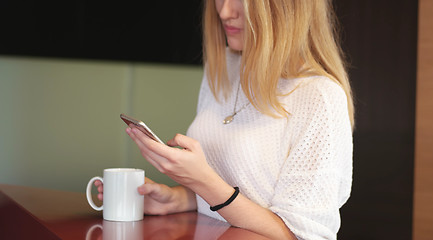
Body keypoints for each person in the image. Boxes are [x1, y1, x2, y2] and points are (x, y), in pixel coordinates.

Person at [96, 0, 354, 239]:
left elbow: (299, 233)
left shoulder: (319, 97)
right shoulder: (223, 68)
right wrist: (178, 197)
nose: (224, 11)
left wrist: (202, 181)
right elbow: (245, 185)